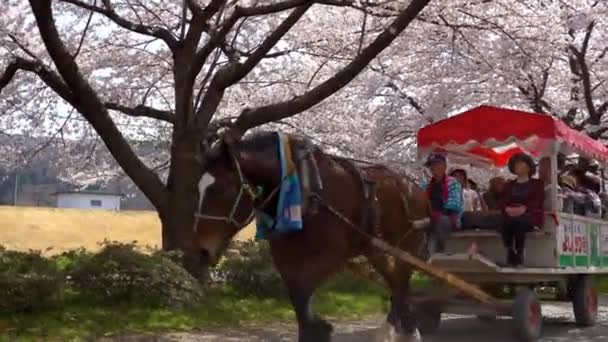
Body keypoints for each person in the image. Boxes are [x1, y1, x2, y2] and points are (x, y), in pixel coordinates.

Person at [499, 153, 544, 267]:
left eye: (520, 163)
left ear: (529, 166)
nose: (517, 166)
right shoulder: (509, 185)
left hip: (529, 214)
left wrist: (524, 208)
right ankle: (509, 250)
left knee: (520, 222)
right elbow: (502, 201)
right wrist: (507, 209)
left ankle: (519, 253)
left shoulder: (537, 184)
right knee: (504, 221)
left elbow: (538, 200)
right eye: (515, 164)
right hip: (511, 212)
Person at [421, 152, 464, 254]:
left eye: (437, 164)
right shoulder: (426, 185)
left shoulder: (453, 182)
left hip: (449, 217)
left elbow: (455, 204)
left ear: (444, 166)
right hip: (430, 216)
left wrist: (435, 214)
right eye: (431, 165)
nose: (433, 167)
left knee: (442, 220)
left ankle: (440, 253)